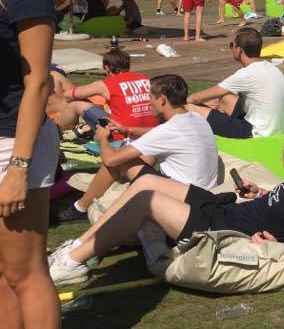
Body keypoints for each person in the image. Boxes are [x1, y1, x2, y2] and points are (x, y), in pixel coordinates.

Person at [49, 128, 284, 286]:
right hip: (221, 207)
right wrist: (259, 192)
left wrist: (278, 246)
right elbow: (282, 203)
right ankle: (78, 246)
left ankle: (70, 264)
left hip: (218, 229)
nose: (281, 160)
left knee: (144, 200)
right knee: (145, 181)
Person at [0, 0, 61, 329]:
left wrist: (18, 167)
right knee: (2, 270)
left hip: (15, 141)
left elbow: (38, 82)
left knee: (25, 270)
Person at [55, 73, 218, 225]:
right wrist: (127, 130)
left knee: (119, 159)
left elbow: (111, 160)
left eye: (150, 97)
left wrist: (102, 138)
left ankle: (80, 207)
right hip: (201, 191)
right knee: (147, 154)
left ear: (162, 100)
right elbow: (157, 132)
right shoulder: (195, 118)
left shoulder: (168, 130)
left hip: (183, 199)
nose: (148, 102)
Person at [186, 28, 284, 140]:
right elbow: (218, 93)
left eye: (232, 45)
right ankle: (221, 130)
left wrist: (186, 101)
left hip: (257, 134)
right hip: (277, 129)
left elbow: (195, 98)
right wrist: (207, 100)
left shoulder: (246, 74)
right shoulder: (271, 68)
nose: (231, 48)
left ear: (240, 50)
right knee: (225, 98)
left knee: (189, 107)